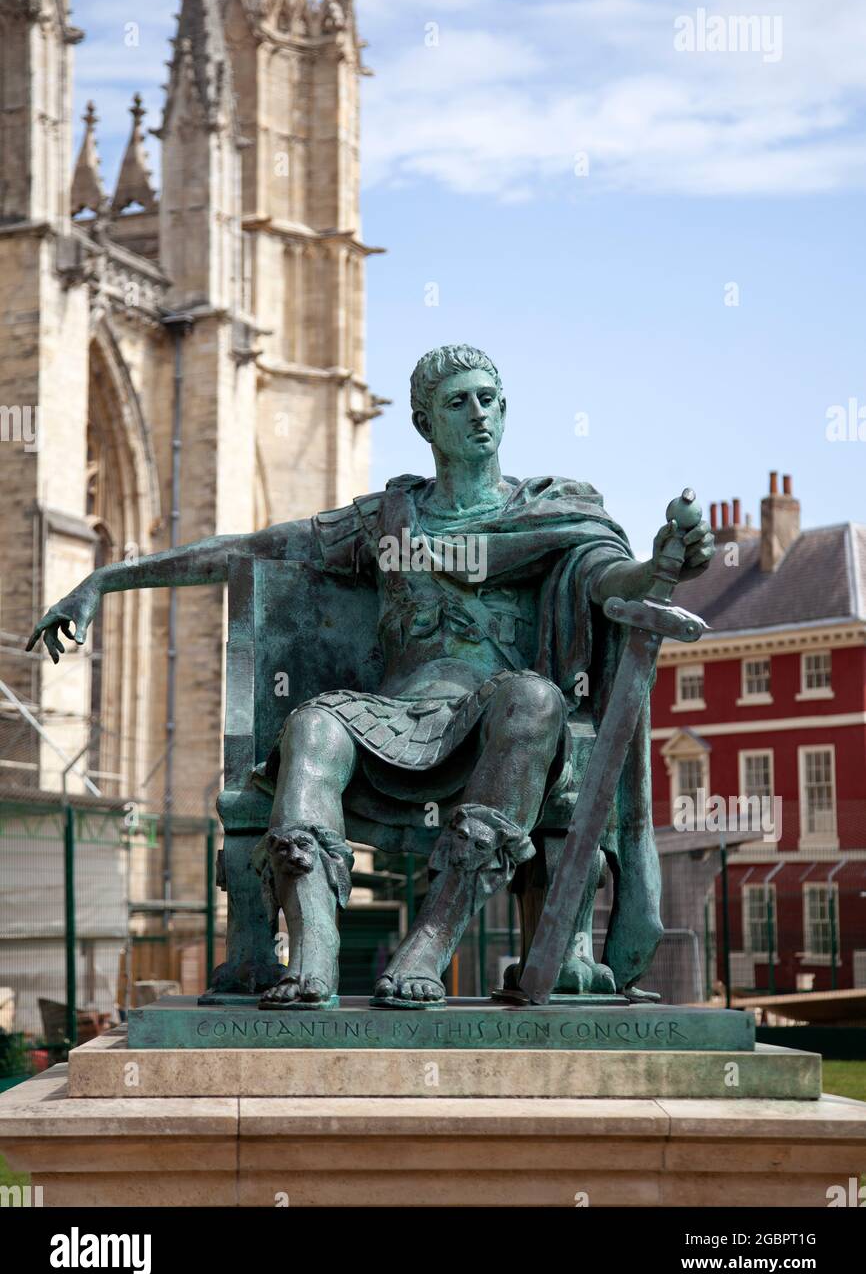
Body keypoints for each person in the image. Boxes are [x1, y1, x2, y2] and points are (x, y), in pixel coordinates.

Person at [28, 344, 714, 1007]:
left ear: (505, 411)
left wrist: (662, 566)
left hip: (499, 727)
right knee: (313, 728)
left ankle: (431, 940)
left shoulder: (550, 513)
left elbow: (612, 580)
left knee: (533, 700)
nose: (478, 414)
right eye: (457, 403)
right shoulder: (389, 521)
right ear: (425, 423)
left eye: (489, 400)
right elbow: (249, 549)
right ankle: (316, 948)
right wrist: (109, 578)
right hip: (398, 718)